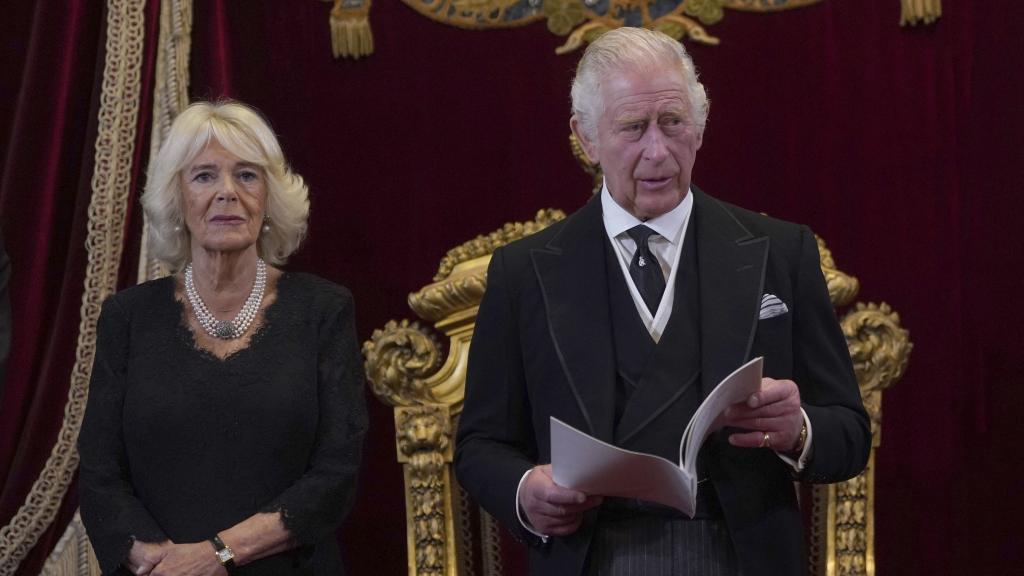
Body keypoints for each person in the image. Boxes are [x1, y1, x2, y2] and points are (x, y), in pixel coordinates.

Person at [455, 27, 870, 576]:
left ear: (700, 126)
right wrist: (524, 490)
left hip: (739, 554)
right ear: (585, 137)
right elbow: (480, 444)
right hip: (592, 554)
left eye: (673, 123)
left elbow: (850, 433)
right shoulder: (523, 273)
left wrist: (800, 430)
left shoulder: (781, 252)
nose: (659, 151)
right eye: (633, 128)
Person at [79, 101, 368, 576]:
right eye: (205, 176)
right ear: (177, 199)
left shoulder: (324, 310)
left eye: (247, 175)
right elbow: (99, 474)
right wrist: (160, 564)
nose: (227, 193)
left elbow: (335, 475)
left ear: (270, 197)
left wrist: (215, 555)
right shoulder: (127, 317)